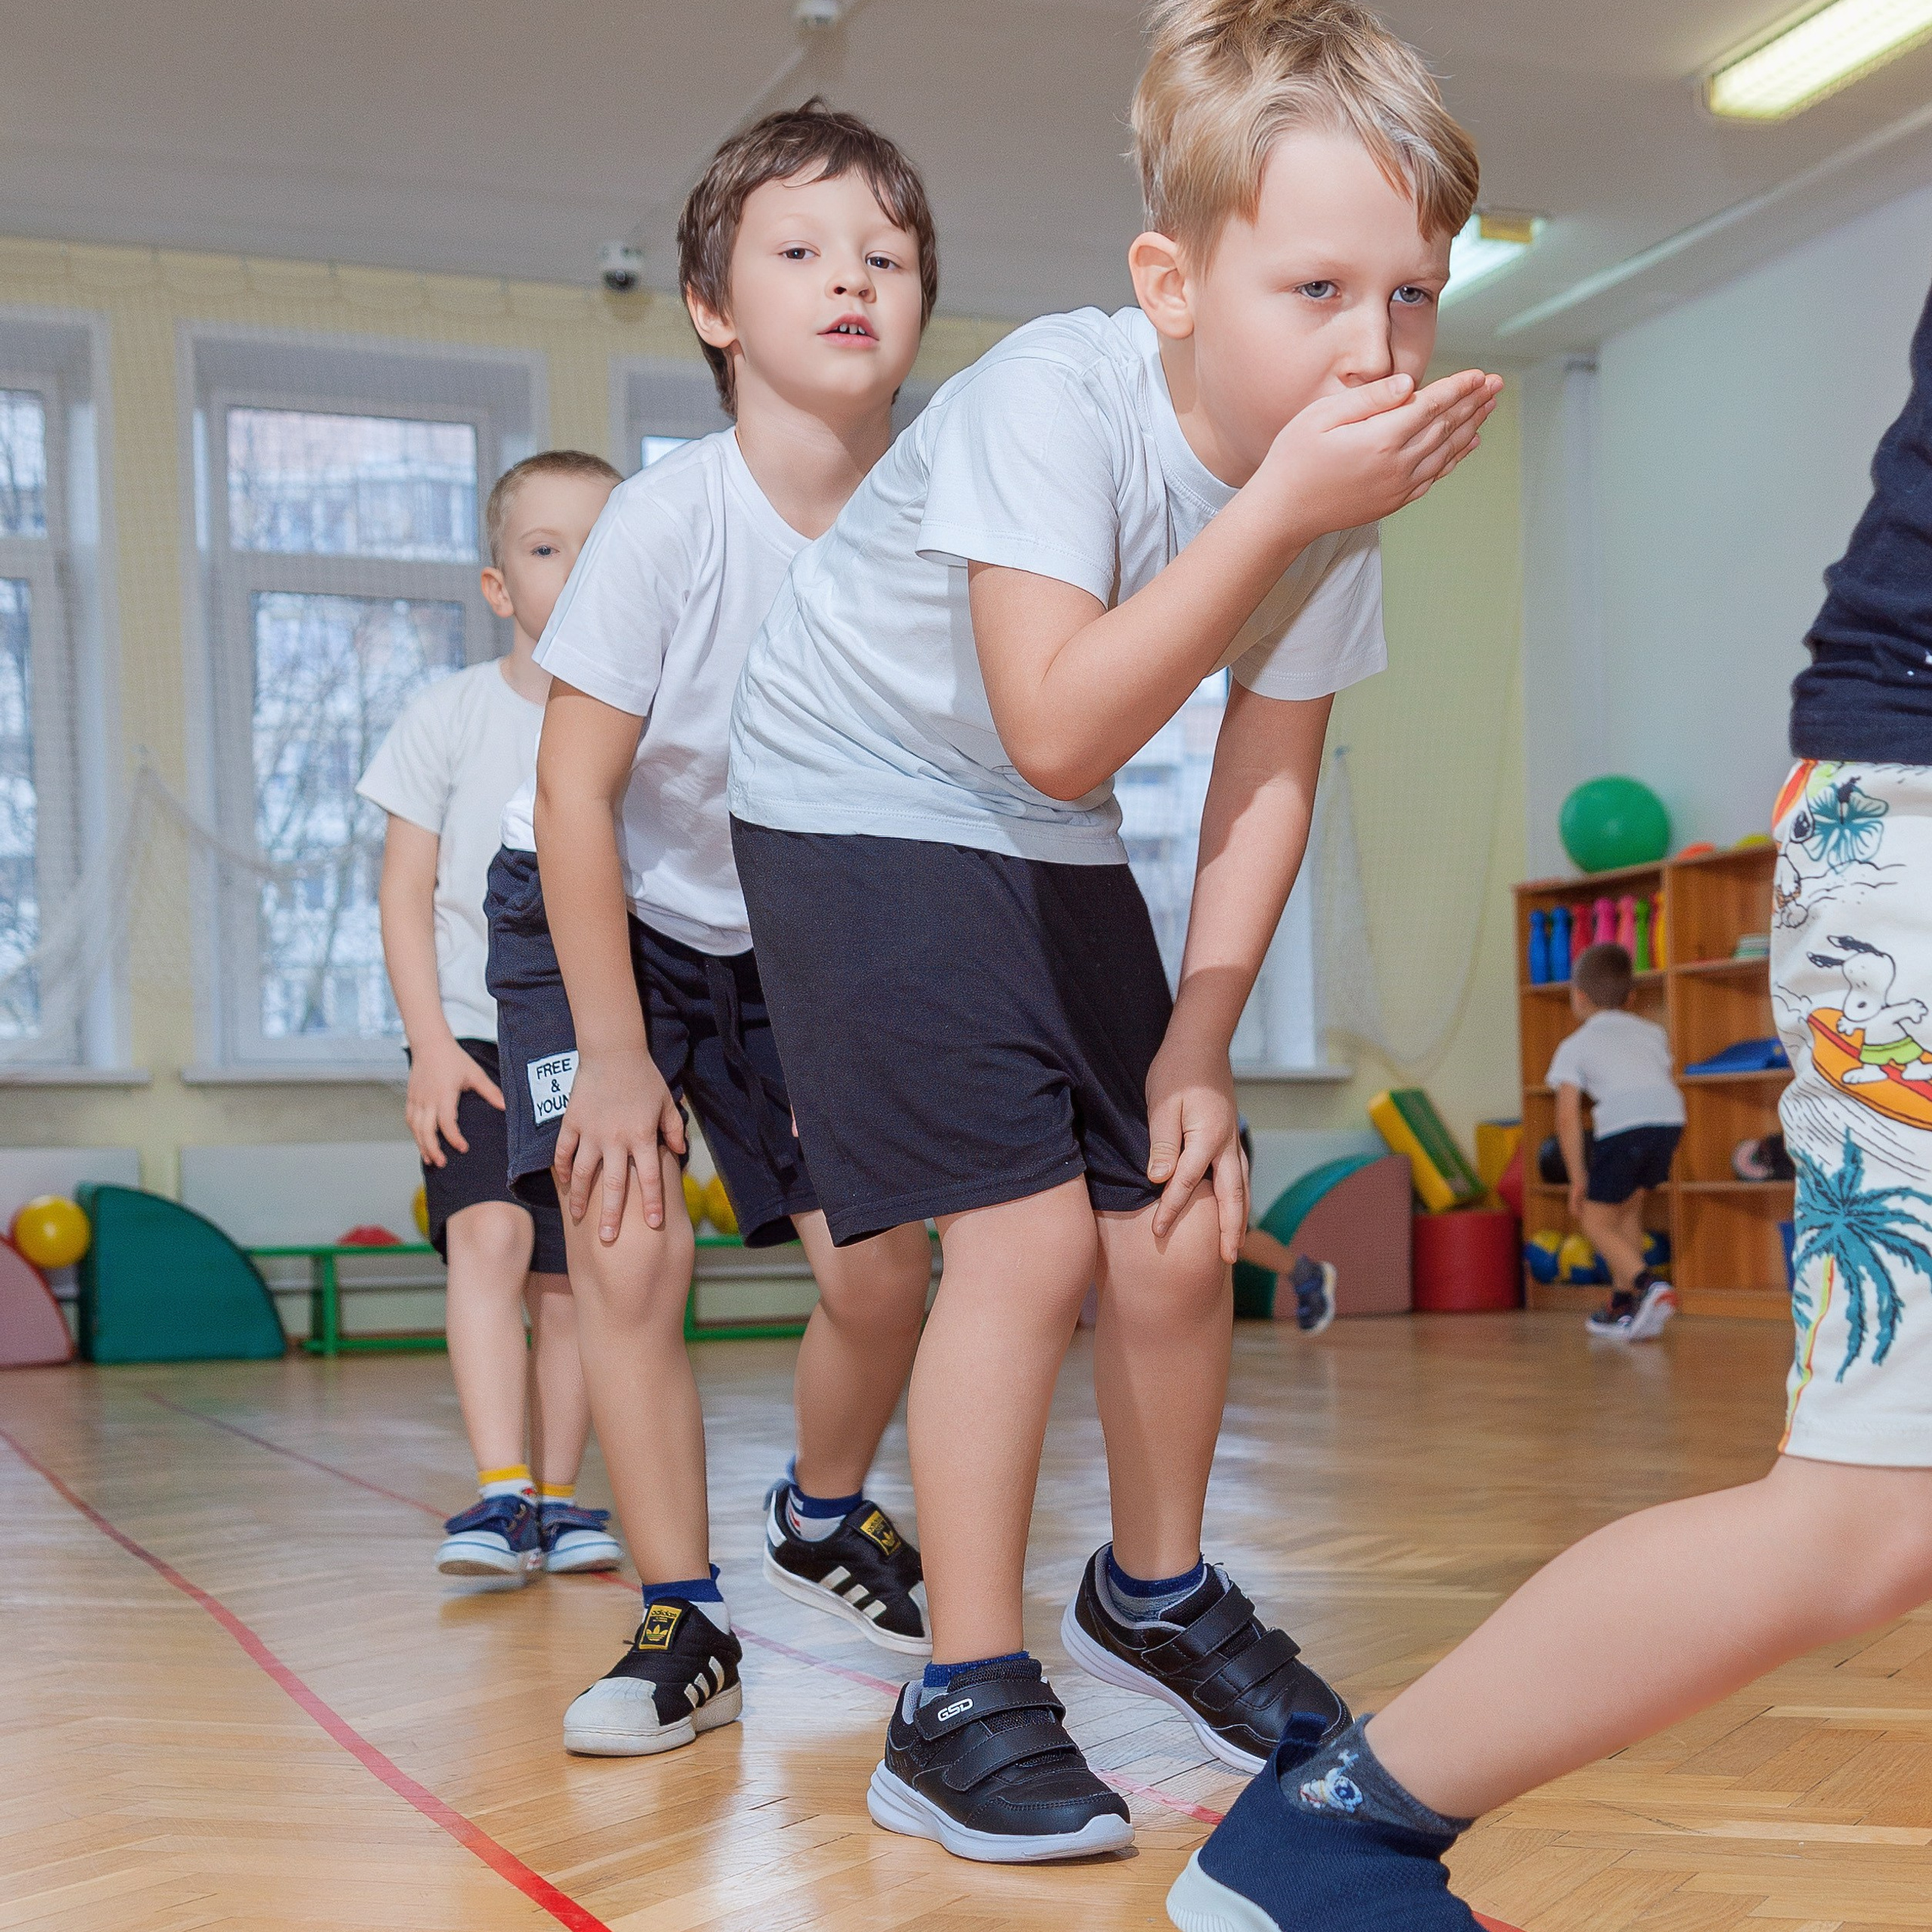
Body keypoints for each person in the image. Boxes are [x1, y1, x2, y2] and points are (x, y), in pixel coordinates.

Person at [728, 0, 1498, 1863]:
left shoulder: (1336, 501)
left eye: (1410, 294)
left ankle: (1150, 1590)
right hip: (846, 789)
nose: (1370, 345)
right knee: (1008, 1232)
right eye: (1313, 288)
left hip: (1032, 823)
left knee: (1164, 1216)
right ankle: (958, 1691)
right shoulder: (1046, 403)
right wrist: (1287, 511)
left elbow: (1261, 771)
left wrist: (1198, 1036)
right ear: (1168, 280)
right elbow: (1061, 717)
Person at [1162, 271, 1932, 1932]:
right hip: (1915, 801)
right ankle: (1328, 1830)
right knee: (1871, 1515)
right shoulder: (1592, 1042)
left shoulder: (1610, 1045)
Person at [485, 103, 940, 1760]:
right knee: (626, 1234)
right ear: (712, 307)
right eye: (801, 250)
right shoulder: (666, 523)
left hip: (798, 930)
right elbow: (576, 789)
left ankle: (822, 1509)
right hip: (590, 909)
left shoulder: (932, 532)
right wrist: (612, 1054)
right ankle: (682, 1610)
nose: (848, 279)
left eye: (884, 255)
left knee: (883, 1267)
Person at [360, 450, 624, 1582]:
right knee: (490, 1235)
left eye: (598, 547)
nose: (574, 569)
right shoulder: (450, 714)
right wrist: (428, 1045)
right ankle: (500, 1493)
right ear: (499, 586)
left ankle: (563, 1501)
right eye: (545, 548)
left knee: (574, 1277)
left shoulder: (640, 727)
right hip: (472, 1031)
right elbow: (404, 892)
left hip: (591, 1047)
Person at [1549, 941, 1683, 1341]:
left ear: (1578, 996)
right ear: (1632, 996)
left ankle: (1648, 1285)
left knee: (1594, 1219)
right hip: (1670, 1120)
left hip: (1625, 1125)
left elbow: (1567, 1116)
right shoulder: (1653, 1032)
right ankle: (1624, 1303)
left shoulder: (1574, 1046)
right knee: (1626, 1210)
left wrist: (1577, 1179)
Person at [1232, 1127, 1337, 1333]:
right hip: (1165, 1134)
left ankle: (1307, 1276)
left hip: (1218, 1129)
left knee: (1229, 1232)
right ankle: (1307, 1275)